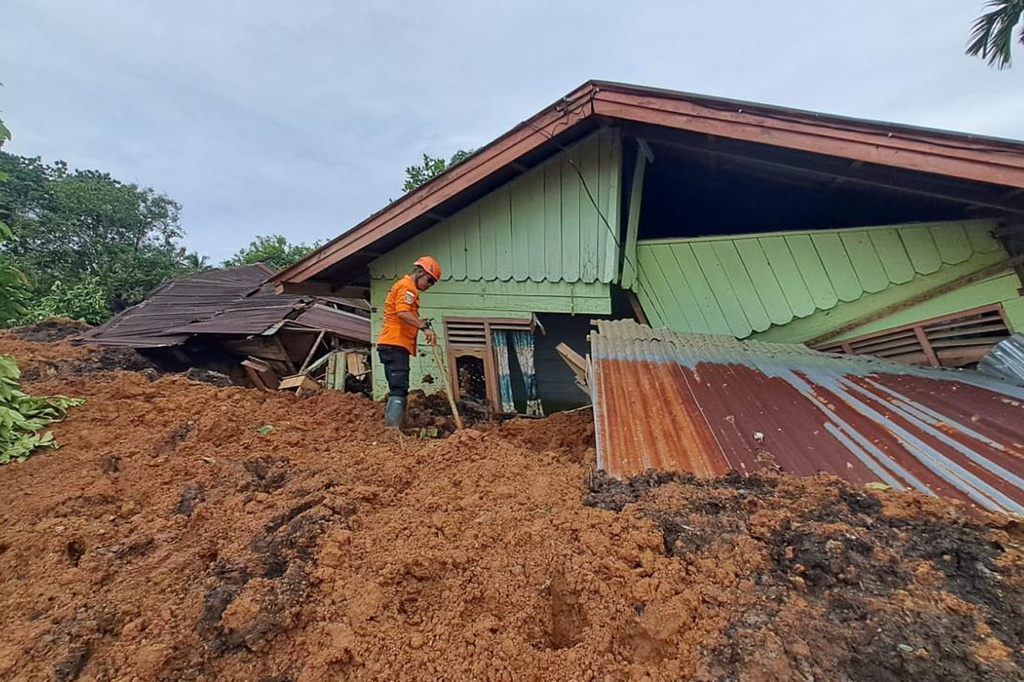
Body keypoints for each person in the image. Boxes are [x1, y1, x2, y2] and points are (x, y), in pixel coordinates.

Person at [377, 256, 441, 428]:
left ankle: (396, 426)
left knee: (398, 385)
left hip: (393, 343)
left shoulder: (406, 287)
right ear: (420, 273)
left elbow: (405, 313)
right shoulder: (408, 288)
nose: (430, 285)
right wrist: (423, 327)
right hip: (395, 343)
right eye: (430, 280)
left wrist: (421, 321)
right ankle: (394, 430)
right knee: (399, 387)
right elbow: (402, 313)